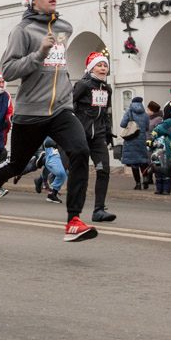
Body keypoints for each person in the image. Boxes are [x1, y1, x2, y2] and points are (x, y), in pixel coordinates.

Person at [0, 0, 97, 242]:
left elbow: (59, 68)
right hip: (30, 112)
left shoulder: (65, 27)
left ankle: (73, 220)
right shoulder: (22, 30)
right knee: (18, 164)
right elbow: (8, 70)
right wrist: (39, 54)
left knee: (80, 151)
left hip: (61, 109)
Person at [72, 52, 117, 222]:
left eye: (105, 65)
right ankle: (74, 210)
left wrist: (107, 132)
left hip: (97, 137)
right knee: (76, 171)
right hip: (80, 135)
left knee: (103, 170)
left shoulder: (107, 89)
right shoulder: (83, 85)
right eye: (99, 65)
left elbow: (104, 112)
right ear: (91, 68)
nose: (103, 68)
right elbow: (68, 105)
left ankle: (98, 209)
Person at [119, 96, 150, 189]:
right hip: (141, 140)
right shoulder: (145, 114)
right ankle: (145, 178)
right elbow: (147, 128)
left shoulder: (129, 112)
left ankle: (138, 184)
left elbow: (122, 124)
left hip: (131, 140)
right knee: (143, 160)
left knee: (134, 163)